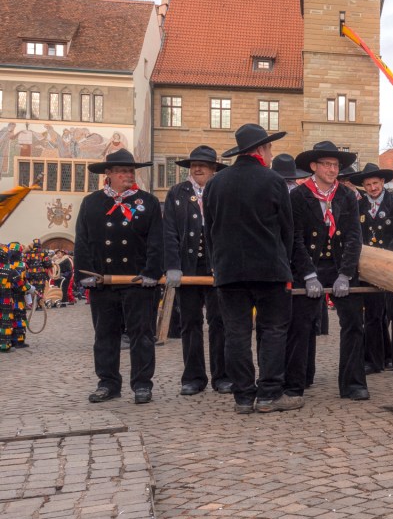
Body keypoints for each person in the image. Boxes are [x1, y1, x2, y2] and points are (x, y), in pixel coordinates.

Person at [204, 123, 294, 414]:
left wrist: (218, 262)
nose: (271, 154)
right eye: (269, 148)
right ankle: (269, 394)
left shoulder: (216, 182)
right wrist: (284, 261)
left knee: (236, 334)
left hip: (229, 270)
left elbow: (210, 230)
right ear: (259, 150)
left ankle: (243, 396)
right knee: (273, 331)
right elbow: (287, 230)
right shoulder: (273, 180)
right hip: (269, 269)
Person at [74, 148, 163, 404]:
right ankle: (108, 383)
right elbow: (82, 241)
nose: (128, 175)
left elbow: (156, 242)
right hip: (103, 282)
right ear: (109, 174)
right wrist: (85, 273)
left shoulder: (147, 202)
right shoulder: (92, 203)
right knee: (105, 335)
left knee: (142, 335)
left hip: (138, 282)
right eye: (123, 171)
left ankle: (142, 384)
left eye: (131, 171)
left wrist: (152, 272)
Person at [288, 141, 365, 400]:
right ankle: (294, 384)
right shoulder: (298, 196)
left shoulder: (347, 196)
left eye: (336, 165)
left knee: (354, 322)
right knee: (301, 324)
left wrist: (346, 273)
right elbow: (295, 239)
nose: (333, 170)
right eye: (328, 164)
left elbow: (355, 236)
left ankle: (353, 383)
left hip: (339, 265)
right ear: (314, 166)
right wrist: (308, 275)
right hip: (309, 265)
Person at [162, 145, 231, 396]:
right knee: (189, 323)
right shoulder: (177, 193)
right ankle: (193, 376)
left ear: (214, 169)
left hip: (217, 266)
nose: (198, 168)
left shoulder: (222, 192)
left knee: (219, 322)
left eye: (203, 164)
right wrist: (172, 266)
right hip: (188, 266)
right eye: (194, 164)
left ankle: (222, 376)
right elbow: (169, 231)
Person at [351, 162, 393, 376]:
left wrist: (387, 260)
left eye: (376, 183)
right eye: (368, 184)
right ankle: (374, 359)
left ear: (383, 182)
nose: (373, 188)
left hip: (392, 266)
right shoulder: (358, 207)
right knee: (373, 315)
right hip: (368, 268)